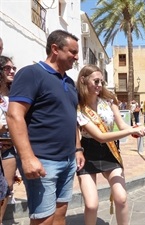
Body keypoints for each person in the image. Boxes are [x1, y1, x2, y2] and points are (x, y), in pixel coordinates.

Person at [6, 30, 85, 225]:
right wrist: (27, 158)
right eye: (73, 52)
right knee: (44, 219)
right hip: (42, 161)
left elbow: (71, 118)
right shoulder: (32, 73)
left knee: (60, 214)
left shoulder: (68, 81)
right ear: (55, 49)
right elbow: (14, 115)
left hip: (67, 160)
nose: (76, 57)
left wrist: (77, 148)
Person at [76, 64, 145, 225]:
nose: (100, 85)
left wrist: (135, 129)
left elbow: (122, 126)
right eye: (96, 81)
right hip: (88, 153)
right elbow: (100, 137)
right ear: (83, 80)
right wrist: (130, 132)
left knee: (121, 198)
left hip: (110, 152)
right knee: (91, 205)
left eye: (102, 82)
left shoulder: (109, 101)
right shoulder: (79, 107)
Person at [0, 56, 17, 224]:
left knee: (7, 188)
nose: (12, 71)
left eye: (13, 68)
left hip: (10, 147)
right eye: (7, 68)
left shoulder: (16, 94)